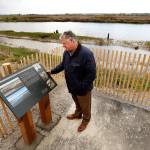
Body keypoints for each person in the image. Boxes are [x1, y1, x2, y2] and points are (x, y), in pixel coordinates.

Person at [48, 31, 96, 132]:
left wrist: (82, 87)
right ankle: (78, 114)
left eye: (64, 43)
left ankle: (86, 120)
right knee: (77, 102)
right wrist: (52, 71)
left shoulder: (86, 54)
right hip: (72, 86)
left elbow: (91, 74)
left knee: (85, 106)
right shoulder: (66, 52)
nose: (63, 46)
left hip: (83, 90)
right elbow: (62, 65)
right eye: (62, 44)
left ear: (72, 40)